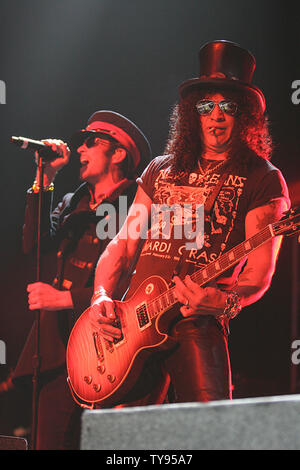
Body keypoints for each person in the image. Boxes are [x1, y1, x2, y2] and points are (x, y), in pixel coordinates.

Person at [89, 41, 290, 405]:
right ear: (191, 113)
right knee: (121, 437)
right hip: (134, 323)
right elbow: (123, 244)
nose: (216, 115)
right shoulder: (160, 169)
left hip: (195, 321)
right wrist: (100, 295)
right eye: (206, 106)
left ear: (243, 115)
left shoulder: (263, 178)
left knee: (207, 430)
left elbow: (259, 272)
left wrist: (224, 303)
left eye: (227, 106)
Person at [11, 110, 152, 449]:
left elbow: (139, 278)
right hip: (59, 347)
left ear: (118, 153)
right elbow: (34, 244)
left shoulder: (139, 204)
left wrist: (65, 299)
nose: (80, 150)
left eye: (91, 142)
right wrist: (44, 176)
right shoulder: (73, 202)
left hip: (112, 347)